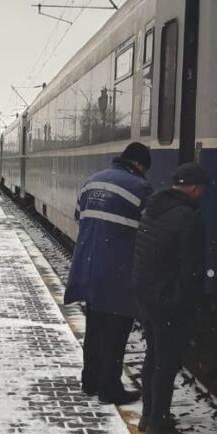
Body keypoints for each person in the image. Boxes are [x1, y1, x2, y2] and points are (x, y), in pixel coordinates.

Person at [65, 142, 153, 405]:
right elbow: (150, 232)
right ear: (138, 165)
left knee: (95, 328)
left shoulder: (91, 182)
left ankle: (90, 381)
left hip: (89, 266)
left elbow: (79, 216)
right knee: (116, 331)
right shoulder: (140, 189)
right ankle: (109, 389)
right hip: (118, 270)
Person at [132, 161, 208, 434]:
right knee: (166, 362)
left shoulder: (155, 209)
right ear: (193, 188)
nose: (202, 193)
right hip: (168, 302)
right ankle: (157, 425)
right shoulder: (189, 218)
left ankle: (149, 414)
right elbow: (192, 271)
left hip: (148, 297)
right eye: (200, 189)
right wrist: (192, 304)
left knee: (154, 357)